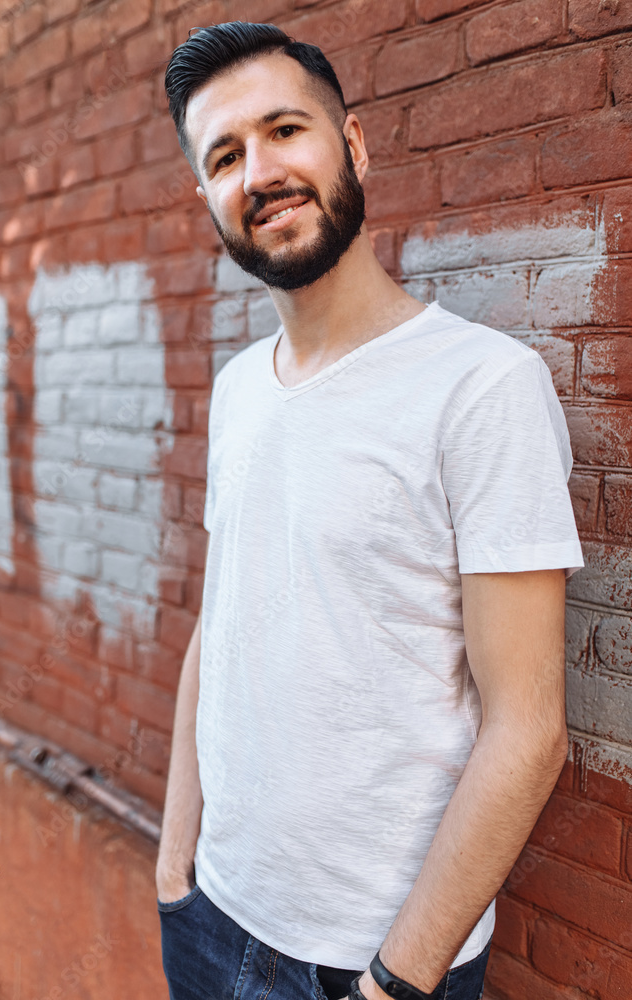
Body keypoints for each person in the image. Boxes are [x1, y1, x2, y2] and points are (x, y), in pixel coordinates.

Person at [156, 21, 583, 1000]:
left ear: (352, 145)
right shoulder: (237, 391)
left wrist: (396, 979)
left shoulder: (480, 387)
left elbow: (527, 728)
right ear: (207, 197)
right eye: (225, 155)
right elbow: (216, 624)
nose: (259, 171)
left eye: (284, 131)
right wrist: (176, 861)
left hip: (365, 963)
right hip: (209, 916)